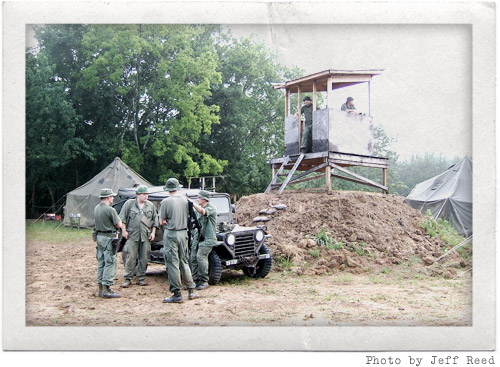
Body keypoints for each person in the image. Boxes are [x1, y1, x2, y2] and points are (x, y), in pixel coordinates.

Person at [159, 178, 199, 303]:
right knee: (184, 261)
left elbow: (161, 221)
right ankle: (191, 290)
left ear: (168, 188)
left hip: (171, 234)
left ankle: (177, 293)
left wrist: (166, 221)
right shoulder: (185, 200)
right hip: (184, 234)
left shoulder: (165, 202)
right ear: (178, 187)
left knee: (172, 263)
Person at [119, 185, 158, 288]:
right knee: (130, 257)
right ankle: (128, 278)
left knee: (144, 258)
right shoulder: (129, 204)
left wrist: (153, 232)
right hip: (132, 235)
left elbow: (155, 221)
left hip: (145, 236)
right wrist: (124, 231)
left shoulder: (150, 206)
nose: (146, 196)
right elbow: (122, 218)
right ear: (138, 195)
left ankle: (141, 278)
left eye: (147, 194)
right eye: (144, 194)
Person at [93, 188, 123, 299]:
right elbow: (118, 224)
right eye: (112, 196)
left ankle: (101, 288)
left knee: (101, 262)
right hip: (108, 238)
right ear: (108, 197)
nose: (113, 198)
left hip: (99, 237)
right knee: (110, 262)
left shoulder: (96, 208)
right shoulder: (110, 210)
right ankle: (107, 288)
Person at [189, 190, 218, 290]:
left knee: (201, 257)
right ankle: (194, 279)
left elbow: (203, 212)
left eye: (199, 198)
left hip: (208, 238)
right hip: (198, 237)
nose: (197, 199)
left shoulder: (211, 208)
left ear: (204, 199)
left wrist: (192, 204)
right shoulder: (198, 210)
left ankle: (204, 280)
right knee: (193, 257)